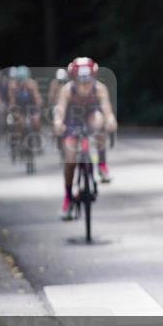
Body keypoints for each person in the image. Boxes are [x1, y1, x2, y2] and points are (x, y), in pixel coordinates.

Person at [53, 57, 118, 220]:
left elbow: (106, 109)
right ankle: (68, 198)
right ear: (74, 78)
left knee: (99, 121)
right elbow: (60, 109)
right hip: (72, 122)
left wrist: (110, 120)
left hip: (91, 117)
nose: (84, 85)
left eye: (88, 80)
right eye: (80, 80)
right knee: (70, 161)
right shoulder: (67, 90)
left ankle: (102, 165)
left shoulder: (100, 89)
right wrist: (58, 122)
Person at [0, 66, 43, 157]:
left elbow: (38, 100)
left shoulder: (32, 84)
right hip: (19, 108)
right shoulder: (13, 86)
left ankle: (38, 140)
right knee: (18, 123)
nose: (22, 82)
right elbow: (12, 102)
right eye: (20, 80)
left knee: (36, 121)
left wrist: (37, 109)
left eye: (24, 79)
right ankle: (17, 142)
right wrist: (15, 113)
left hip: (31, 107)